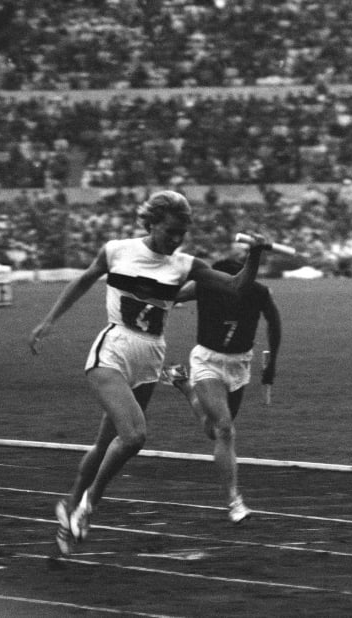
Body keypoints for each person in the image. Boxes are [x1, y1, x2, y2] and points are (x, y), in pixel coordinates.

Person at [28, 190, 271, 556]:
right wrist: (49, 320)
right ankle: (88, 504)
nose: (176, 240)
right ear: (152, 222)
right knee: (134, 435)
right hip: (113, 351)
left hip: (150, 357)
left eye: (182, 234)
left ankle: (70, 504)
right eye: (170, 231)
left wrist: (254, 255)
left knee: (106, 442)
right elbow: (83, 280)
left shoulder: (186, 265)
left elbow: (237, 285)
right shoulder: (117, 251)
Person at [160, 256, 282, 523]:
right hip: (207, 361)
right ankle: (234, 502)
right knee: (225, 429)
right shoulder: (202, 287)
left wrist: (271, 363)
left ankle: (183, 384)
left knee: (213, 430)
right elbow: (169, 297)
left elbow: (274, 322)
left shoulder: (259, 292)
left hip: (240, 364)